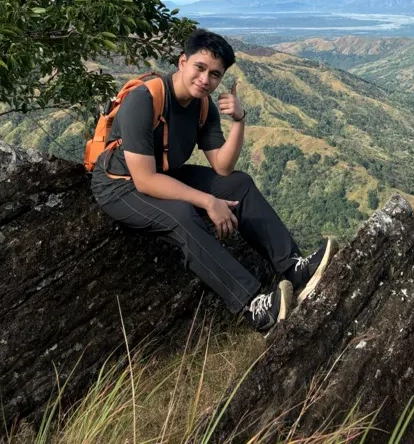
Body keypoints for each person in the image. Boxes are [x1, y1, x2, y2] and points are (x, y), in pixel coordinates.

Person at [91, 29, 334, 331]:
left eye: (215, 74)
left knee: (239, 184)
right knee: (181, 215)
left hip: (162, 174)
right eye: (200, 67)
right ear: (182, 62)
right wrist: (208, 202)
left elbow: (223, 166)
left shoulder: (203, 106)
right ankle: (254, 307)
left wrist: (240, 120)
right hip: (120, 185)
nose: (205, 79)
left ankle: (293, 268)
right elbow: (144, 180)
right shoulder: (144, 100)